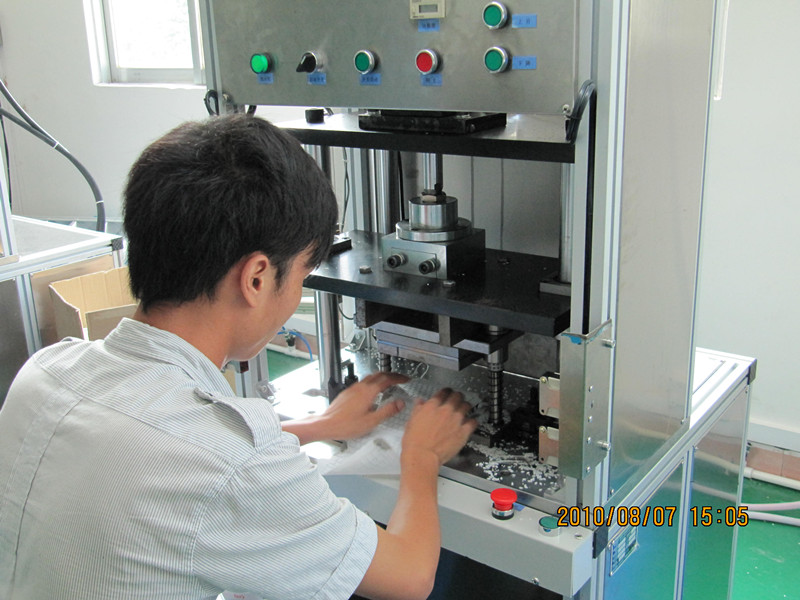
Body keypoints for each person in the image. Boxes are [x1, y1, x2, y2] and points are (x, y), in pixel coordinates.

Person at [0, 114, 476, 599]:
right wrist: (421, 455)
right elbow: (410, 577)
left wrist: (317, 426)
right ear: (256, 278)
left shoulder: (46, 371)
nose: (297, 294)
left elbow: (155, 454)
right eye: (302, 276)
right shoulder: (227, 464)